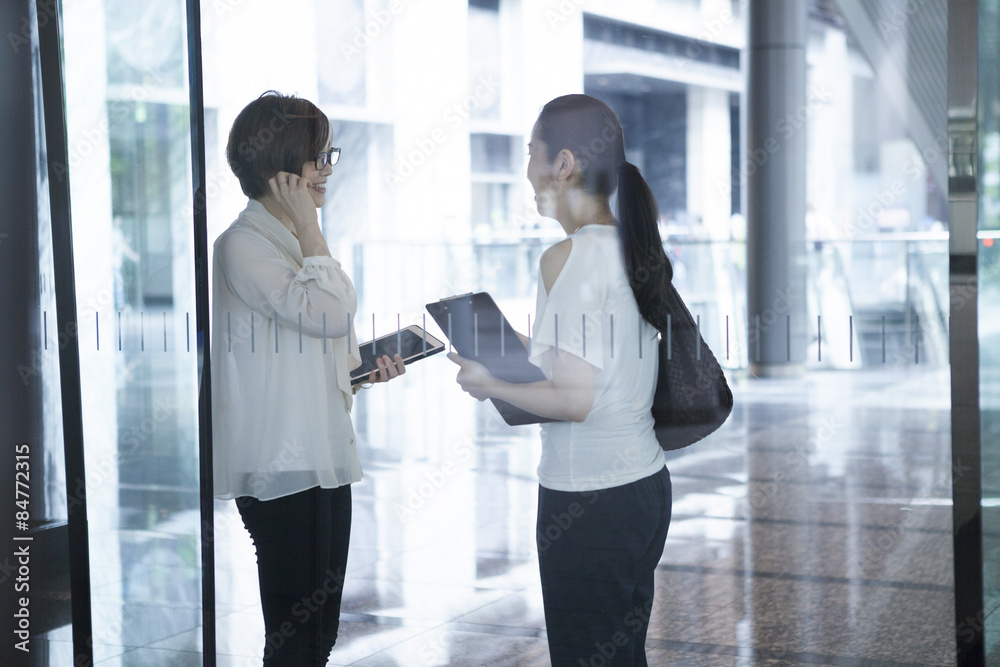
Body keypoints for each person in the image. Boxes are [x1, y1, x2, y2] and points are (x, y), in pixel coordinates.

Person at [449, 94, 673, 666]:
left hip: (590, 501)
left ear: (565, 163)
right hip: (641, 488)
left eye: (532, 154)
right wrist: (510, 348)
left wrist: (489, 384)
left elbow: (573, 399)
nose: (526, 171)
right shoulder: (628, 243)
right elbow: (592, 357)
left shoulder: (569, 257)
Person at [211, 91, 405, 666]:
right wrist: (312, 228)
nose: (325, 170)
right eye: (316, 158)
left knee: (318, 634)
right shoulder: (244, 246)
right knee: (297, 639)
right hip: (282, 464)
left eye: (327, 156)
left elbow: (314, 337)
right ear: (280, 170)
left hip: (318, 455)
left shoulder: (289, 240)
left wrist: (359, 374)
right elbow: (330, 313)